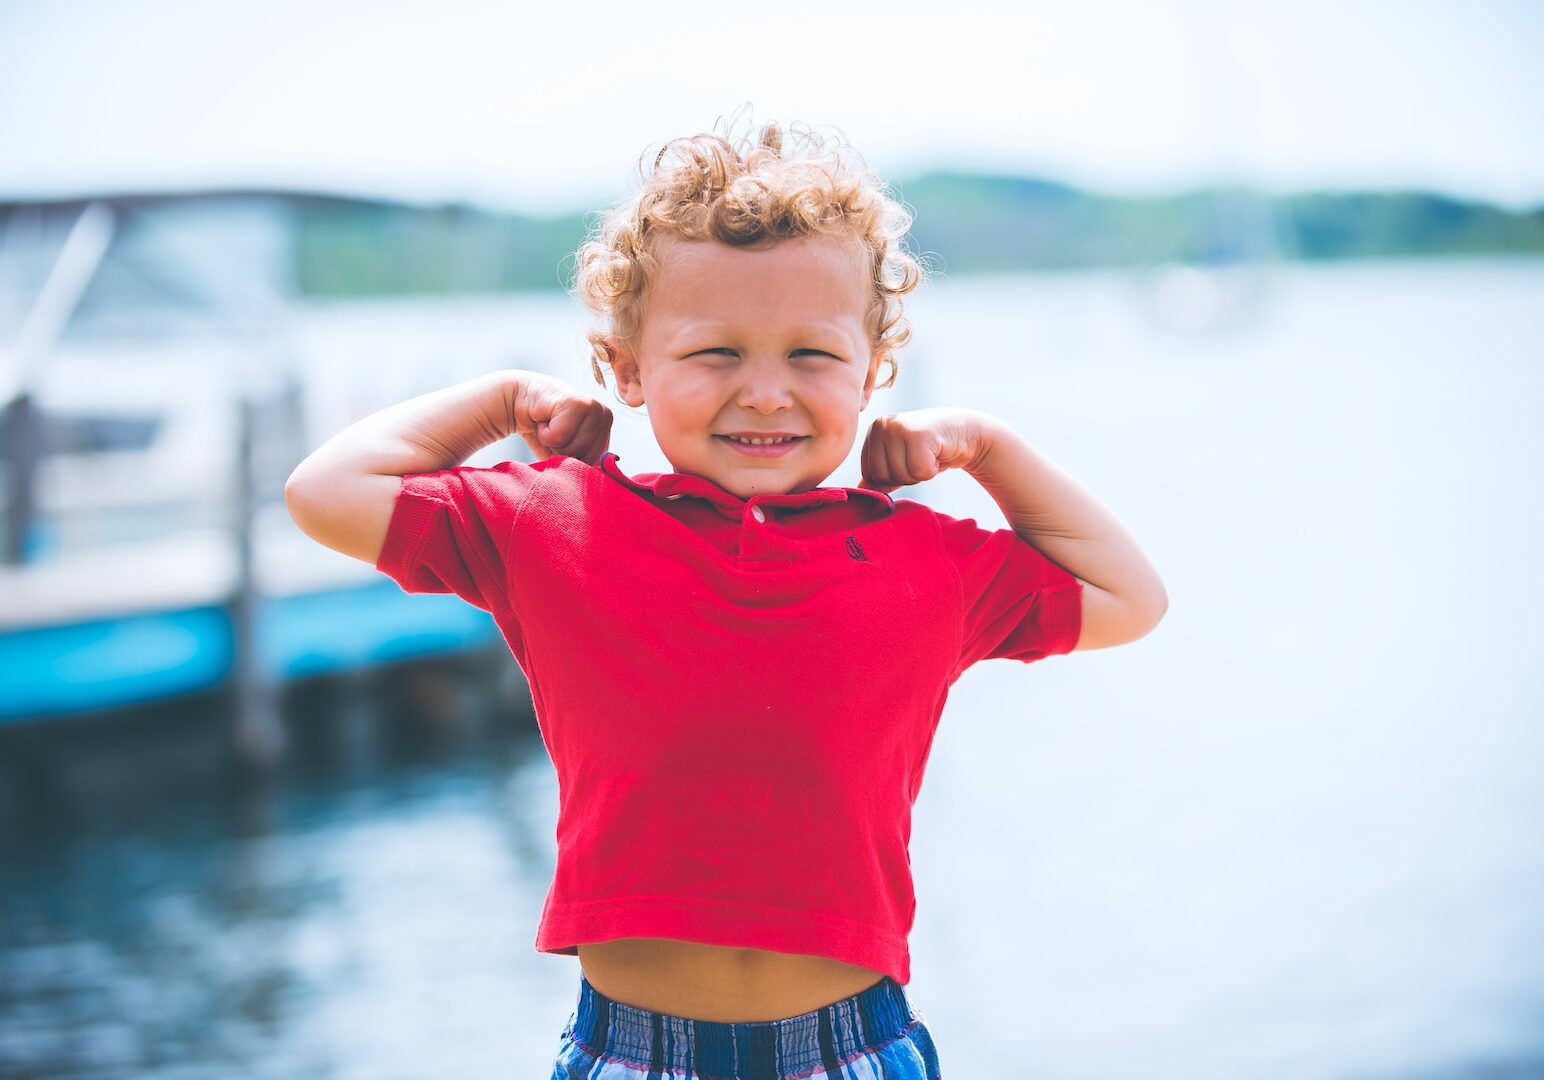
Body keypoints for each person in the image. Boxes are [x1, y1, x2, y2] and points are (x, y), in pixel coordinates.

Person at [285, 116, 1167, 1079]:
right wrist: (498, 402)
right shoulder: (553, 524)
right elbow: (324, 494)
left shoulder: (924, 558)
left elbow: (1129, 597)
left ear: (872, 372)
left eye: (812, 356)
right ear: (625, 368)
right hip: (629, 1051)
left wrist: (989, 449)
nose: (764, 392)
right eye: (715, 354)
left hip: (853, 1046)